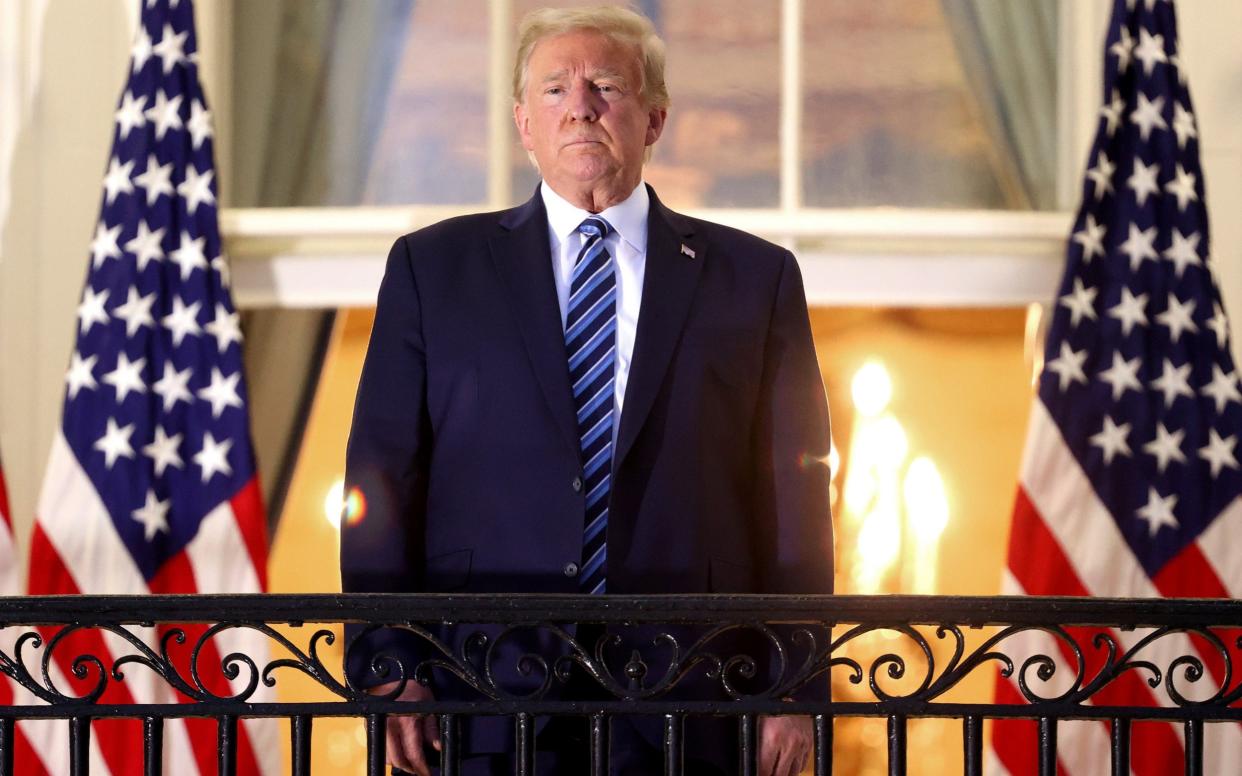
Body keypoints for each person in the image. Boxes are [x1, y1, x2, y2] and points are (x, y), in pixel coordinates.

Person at [341, 6, 833, 775]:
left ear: (655, 118)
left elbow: (797, 497)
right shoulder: (433, 270)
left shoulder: (755, 279)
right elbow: (380, 479)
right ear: (522, 123)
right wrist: (387, 661)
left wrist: (796, 682)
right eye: (554, 90)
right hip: (482, 692)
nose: (580, 106)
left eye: (606, 85)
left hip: (694, 691)